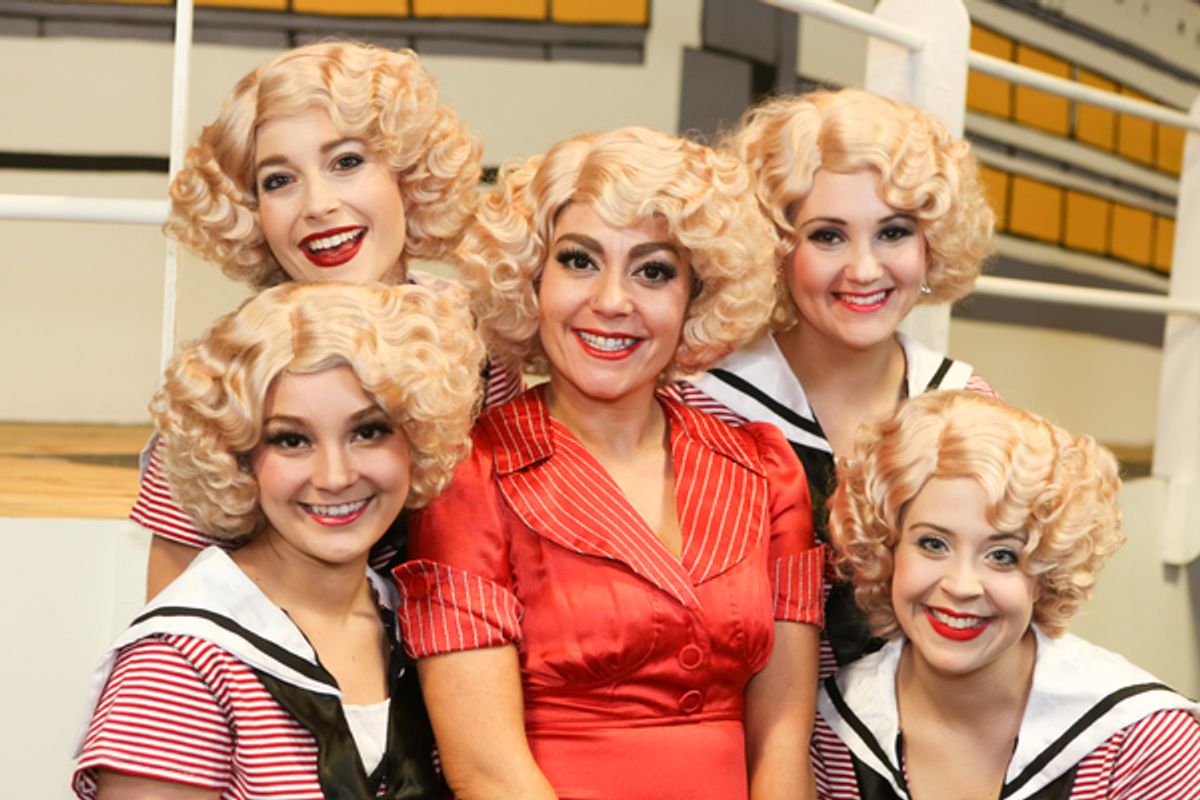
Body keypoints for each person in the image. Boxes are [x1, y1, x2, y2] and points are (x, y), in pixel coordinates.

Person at [393, 127, 825, 799]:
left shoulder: (767, 470)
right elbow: (486, 770)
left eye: (653, 270)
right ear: (532, 280)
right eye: (580, 261)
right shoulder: (469, 473)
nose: (614, 301)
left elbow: (782, 746)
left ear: (696, 296)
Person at [130, 41, 519, 597]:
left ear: (406, 176)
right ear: (253, 211)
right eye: (278, 180)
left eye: (346, 162)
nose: (317, 204)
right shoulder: (228, 380)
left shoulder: (483, 349)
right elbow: (169, 616)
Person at [74, 281, 484, 799]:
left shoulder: (422, 627)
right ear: (239, 458)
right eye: (292, 439)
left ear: (417, 439)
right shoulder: (179, 665)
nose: (334, 476)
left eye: (368, 431)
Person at [673, 88, 996, 674]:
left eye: (893, 232)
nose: (865, 269)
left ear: (932, 244)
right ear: (774, 248)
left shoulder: (966, 408)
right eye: (827, 236)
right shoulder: (702, 402)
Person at [812, 390, 1200, 800]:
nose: (961, 586)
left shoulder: (1142, 745)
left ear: (1047, 571)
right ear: (886, 549)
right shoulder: (827, 733)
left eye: (1002, 555)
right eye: (932, 544)